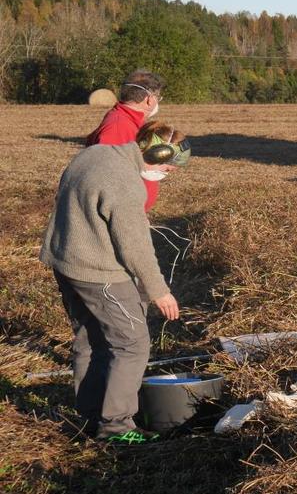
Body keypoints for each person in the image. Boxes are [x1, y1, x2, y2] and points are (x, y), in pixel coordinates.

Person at [40, 121, 191, 444]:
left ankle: (91, 416)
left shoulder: (93, 154)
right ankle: (116, 427)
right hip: (100, 275)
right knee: (132, 344)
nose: (169, 171)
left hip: (66, 264)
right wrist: (159, 292)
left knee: (90, 339)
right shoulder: (124, 183)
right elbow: (135, 247)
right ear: (155, 152)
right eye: (168, 164)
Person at [86, 70, 165, 212]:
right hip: (119, 215)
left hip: (129, 212)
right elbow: (108, 177)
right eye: (158, 97)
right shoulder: (118, 127)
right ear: (150, 99)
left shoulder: (128, 122)